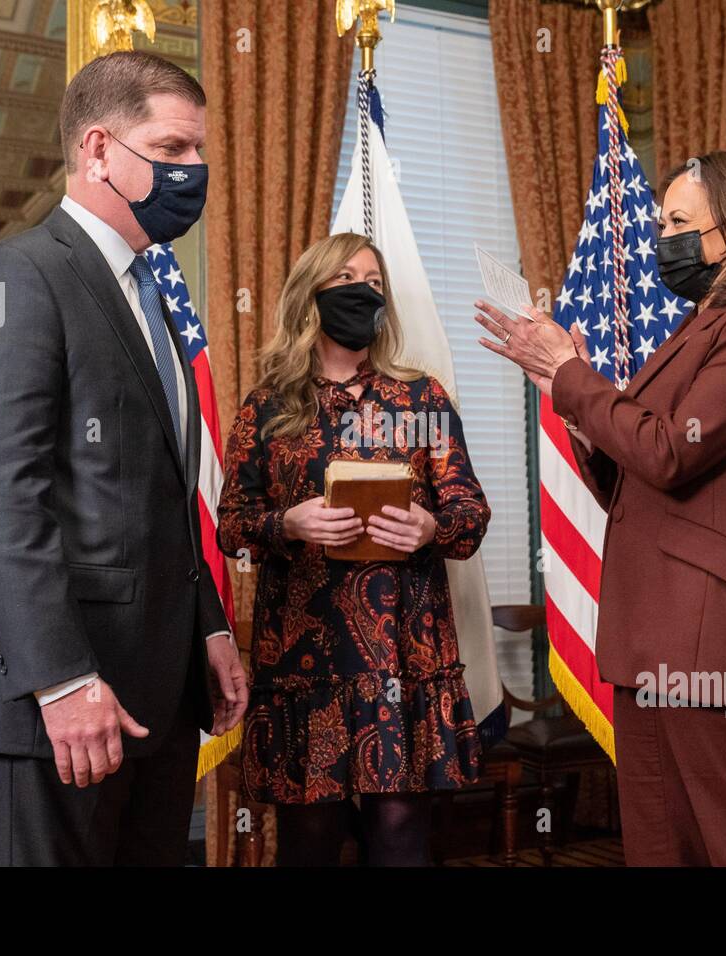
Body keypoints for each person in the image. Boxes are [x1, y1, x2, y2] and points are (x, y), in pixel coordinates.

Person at [475, 144, 726, 866]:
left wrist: (572, 374)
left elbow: (670, 450)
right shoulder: (697, 325)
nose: (664, 238)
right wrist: (570, 401)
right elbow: (638, 478)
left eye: (678, 221)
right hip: (658, 631)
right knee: (663, 847)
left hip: (714, 629)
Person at [0, 51, 248, 866]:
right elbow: (3, 501)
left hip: (157, 691)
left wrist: (209, 629)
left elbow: (164, 492)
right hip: (61, 705)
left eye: (199, 153)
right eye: (174, 149)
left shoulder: (151, 294)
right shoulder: (19, 276)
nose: (195, 170)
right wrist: (63, 679)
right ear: (98, 151)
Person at [217, 232, 489, 866]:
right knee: (309, 846)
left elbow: (469, 514)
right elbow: (232, 523)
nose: (363, 290)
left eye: (374, 280)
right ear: (311, 295)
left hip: (403, 652)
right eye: (346, 277)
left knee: (401, 842)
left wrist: (431, 528)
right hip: (305, 658)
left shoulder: (421, 398)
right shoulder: (267, 408)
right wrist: (288, 524)